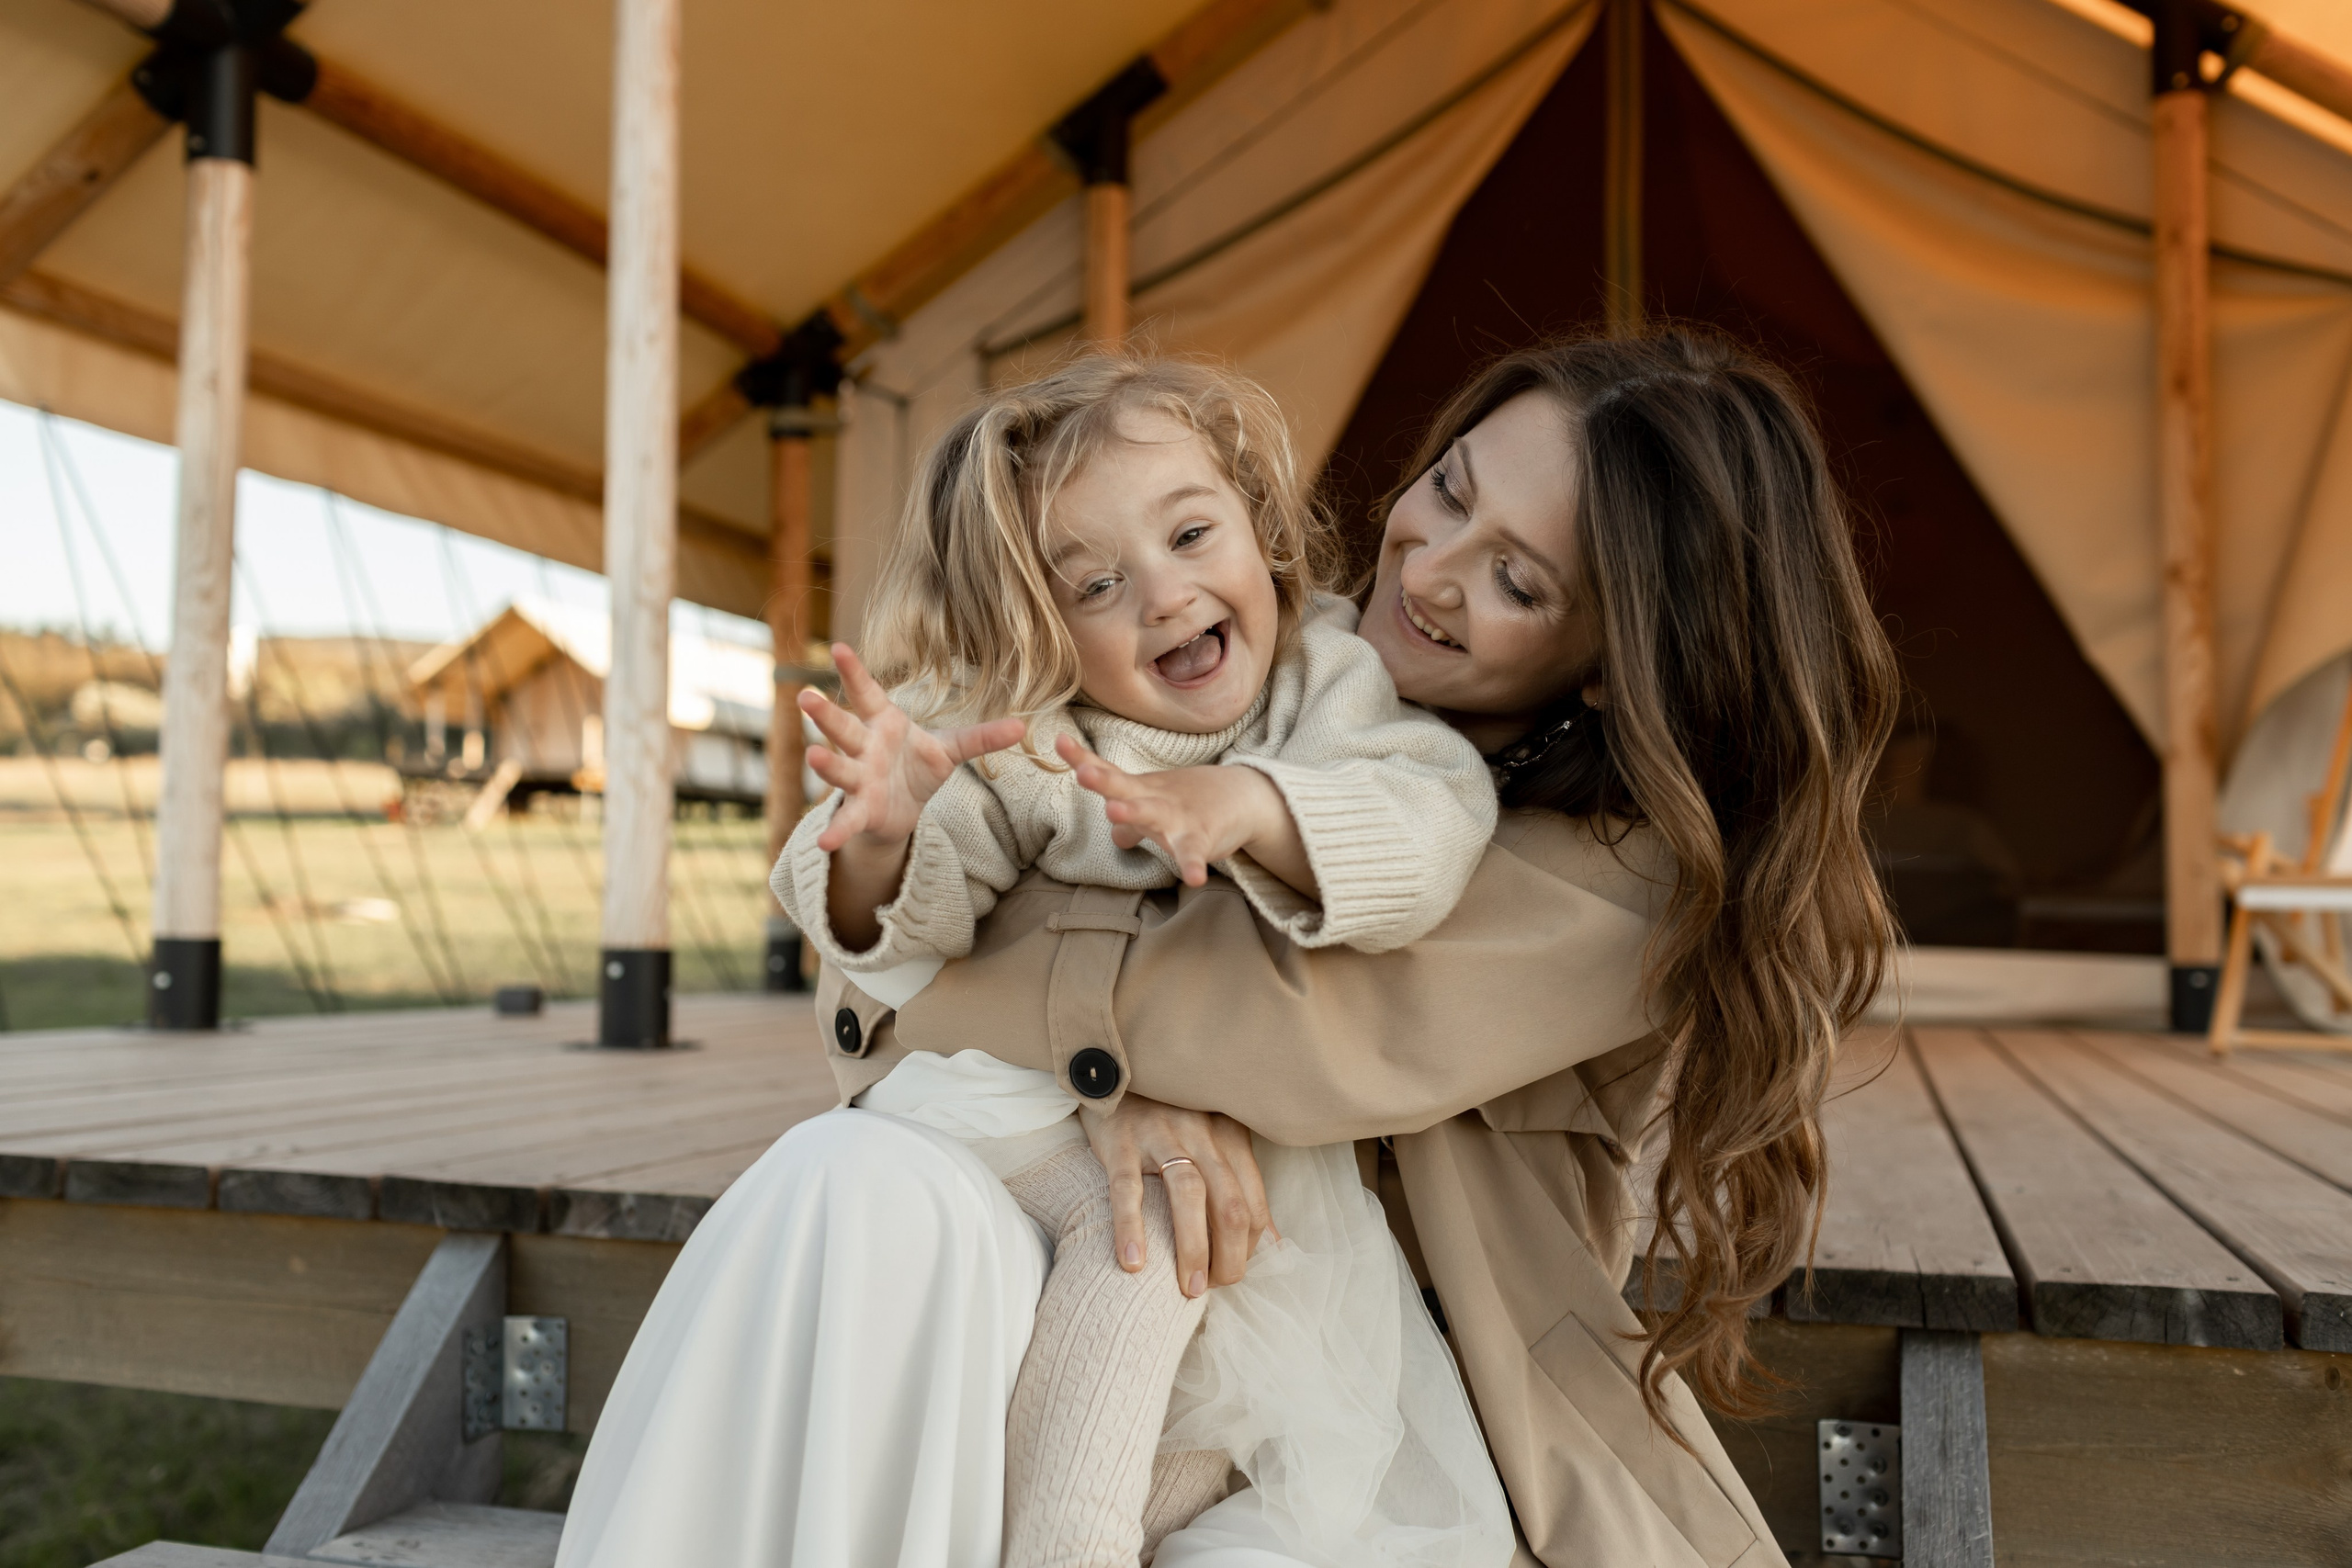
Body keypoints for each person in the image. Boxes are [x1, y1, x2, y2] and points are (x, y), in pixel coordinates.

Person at [555, 329, 1899, 1568]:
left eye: (1515, 577)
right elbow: (883, 970)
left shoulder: (1623, 875)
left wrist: (1109, 1056)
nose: (1427, 568)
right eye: (1448, 488)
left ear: (1618, 656)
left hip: (1410, 1414)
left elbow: (1265, 1027)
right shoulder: (1260, 668)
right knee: (854, 1180)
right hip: (1134, 1307)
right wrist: (900, 849)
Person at [768, 355, 1509, 1567]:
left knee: (1241, 1385)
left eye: (1191, 533)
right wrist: (887, 837)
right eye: (1096, 583)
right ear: (1037, 625)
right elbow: (893, 923)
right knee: (1160, 1239)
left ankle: (1079, 1517)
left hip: (1212, 1125)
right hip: (996, 1099)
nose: (1163, 595)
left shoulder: (1324, 680)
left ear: (1262, 530)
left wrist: (1258, 806)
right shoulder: (1016, 722)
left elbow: (1430, 819)